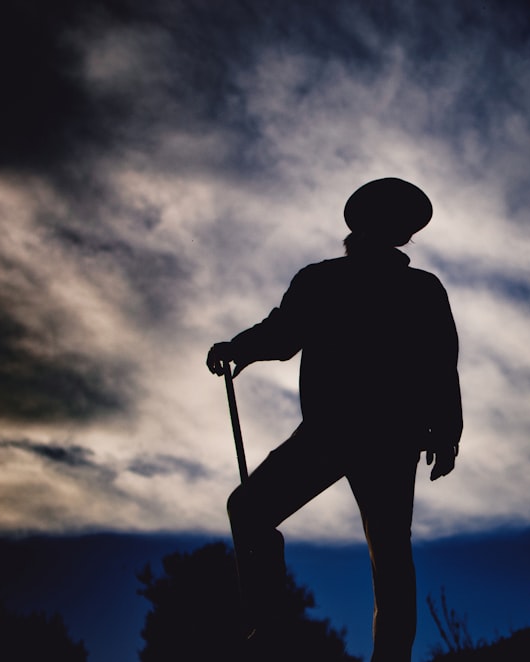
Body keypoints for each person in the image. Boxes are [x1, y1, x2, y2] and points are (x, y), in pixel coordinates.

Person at [206, 177, 463, 662]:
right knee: (387, 553)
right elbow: (439, 365)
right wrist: (445, 432)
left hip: (345, 432)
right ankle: (278, 630)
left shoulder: (333, 280)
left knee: (254, 511)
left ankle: (270, 626)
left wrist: (446, 432)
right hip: (379, 436)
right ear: (404, 235)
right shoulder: (405, 287)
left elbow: (437, 362)